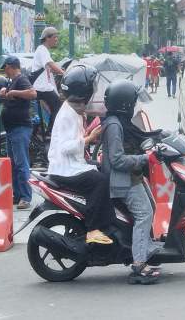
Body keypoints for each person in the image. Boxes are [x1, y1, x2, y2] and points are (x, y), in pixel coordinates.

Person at [101, 79, 161, 284]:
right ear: (125, 104)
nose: (135, 105)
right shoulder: (114, 126)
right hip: (123, 180)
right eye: (132, 102)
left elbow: (138, 138)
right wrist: (145, 159)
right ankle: (139, 265)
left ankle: (145, 247)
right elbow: (117, 159)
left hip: (132, 175)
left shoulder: (118, 121)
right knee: (144, 214)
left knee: (150, 206)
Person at [49, 64, 114, 245]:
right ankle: (93, 229)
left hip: (72, 163)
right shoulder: (68, 115)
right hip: (65, 169)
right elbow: (66, 148)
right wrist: (89, 138)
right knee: (100, 181)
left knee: (103, 169)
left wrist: (88, 136)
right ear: (83, 91)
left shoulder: (73, 110)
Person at [0, 55, 36, 209]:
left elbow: (33, 93)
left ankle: (26, 197)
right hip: (12, 128)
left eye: (5, 68)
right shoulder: (11, 82)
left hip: (20, 127)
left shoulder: (21, 79)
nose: (5, 71)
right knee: (13, 163)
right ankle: (18, 194)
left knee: (21, 163)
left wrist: (14, 93)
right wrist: (5, 93)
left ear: (10, 66)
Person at [32, 26, 65, 124]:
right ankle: (50, 132)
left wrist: (60, 70)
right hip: (41, 87)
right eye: (55, 37)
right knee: (58, 106)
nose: (56, 40)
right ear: (47, 38)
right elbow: (51, 64)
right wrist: (64, 73)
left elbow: (50, 68)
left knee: (54, 107)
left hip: (43, 86)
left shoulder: (43, 50)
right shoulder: (42, 50)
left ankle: (45, 130)